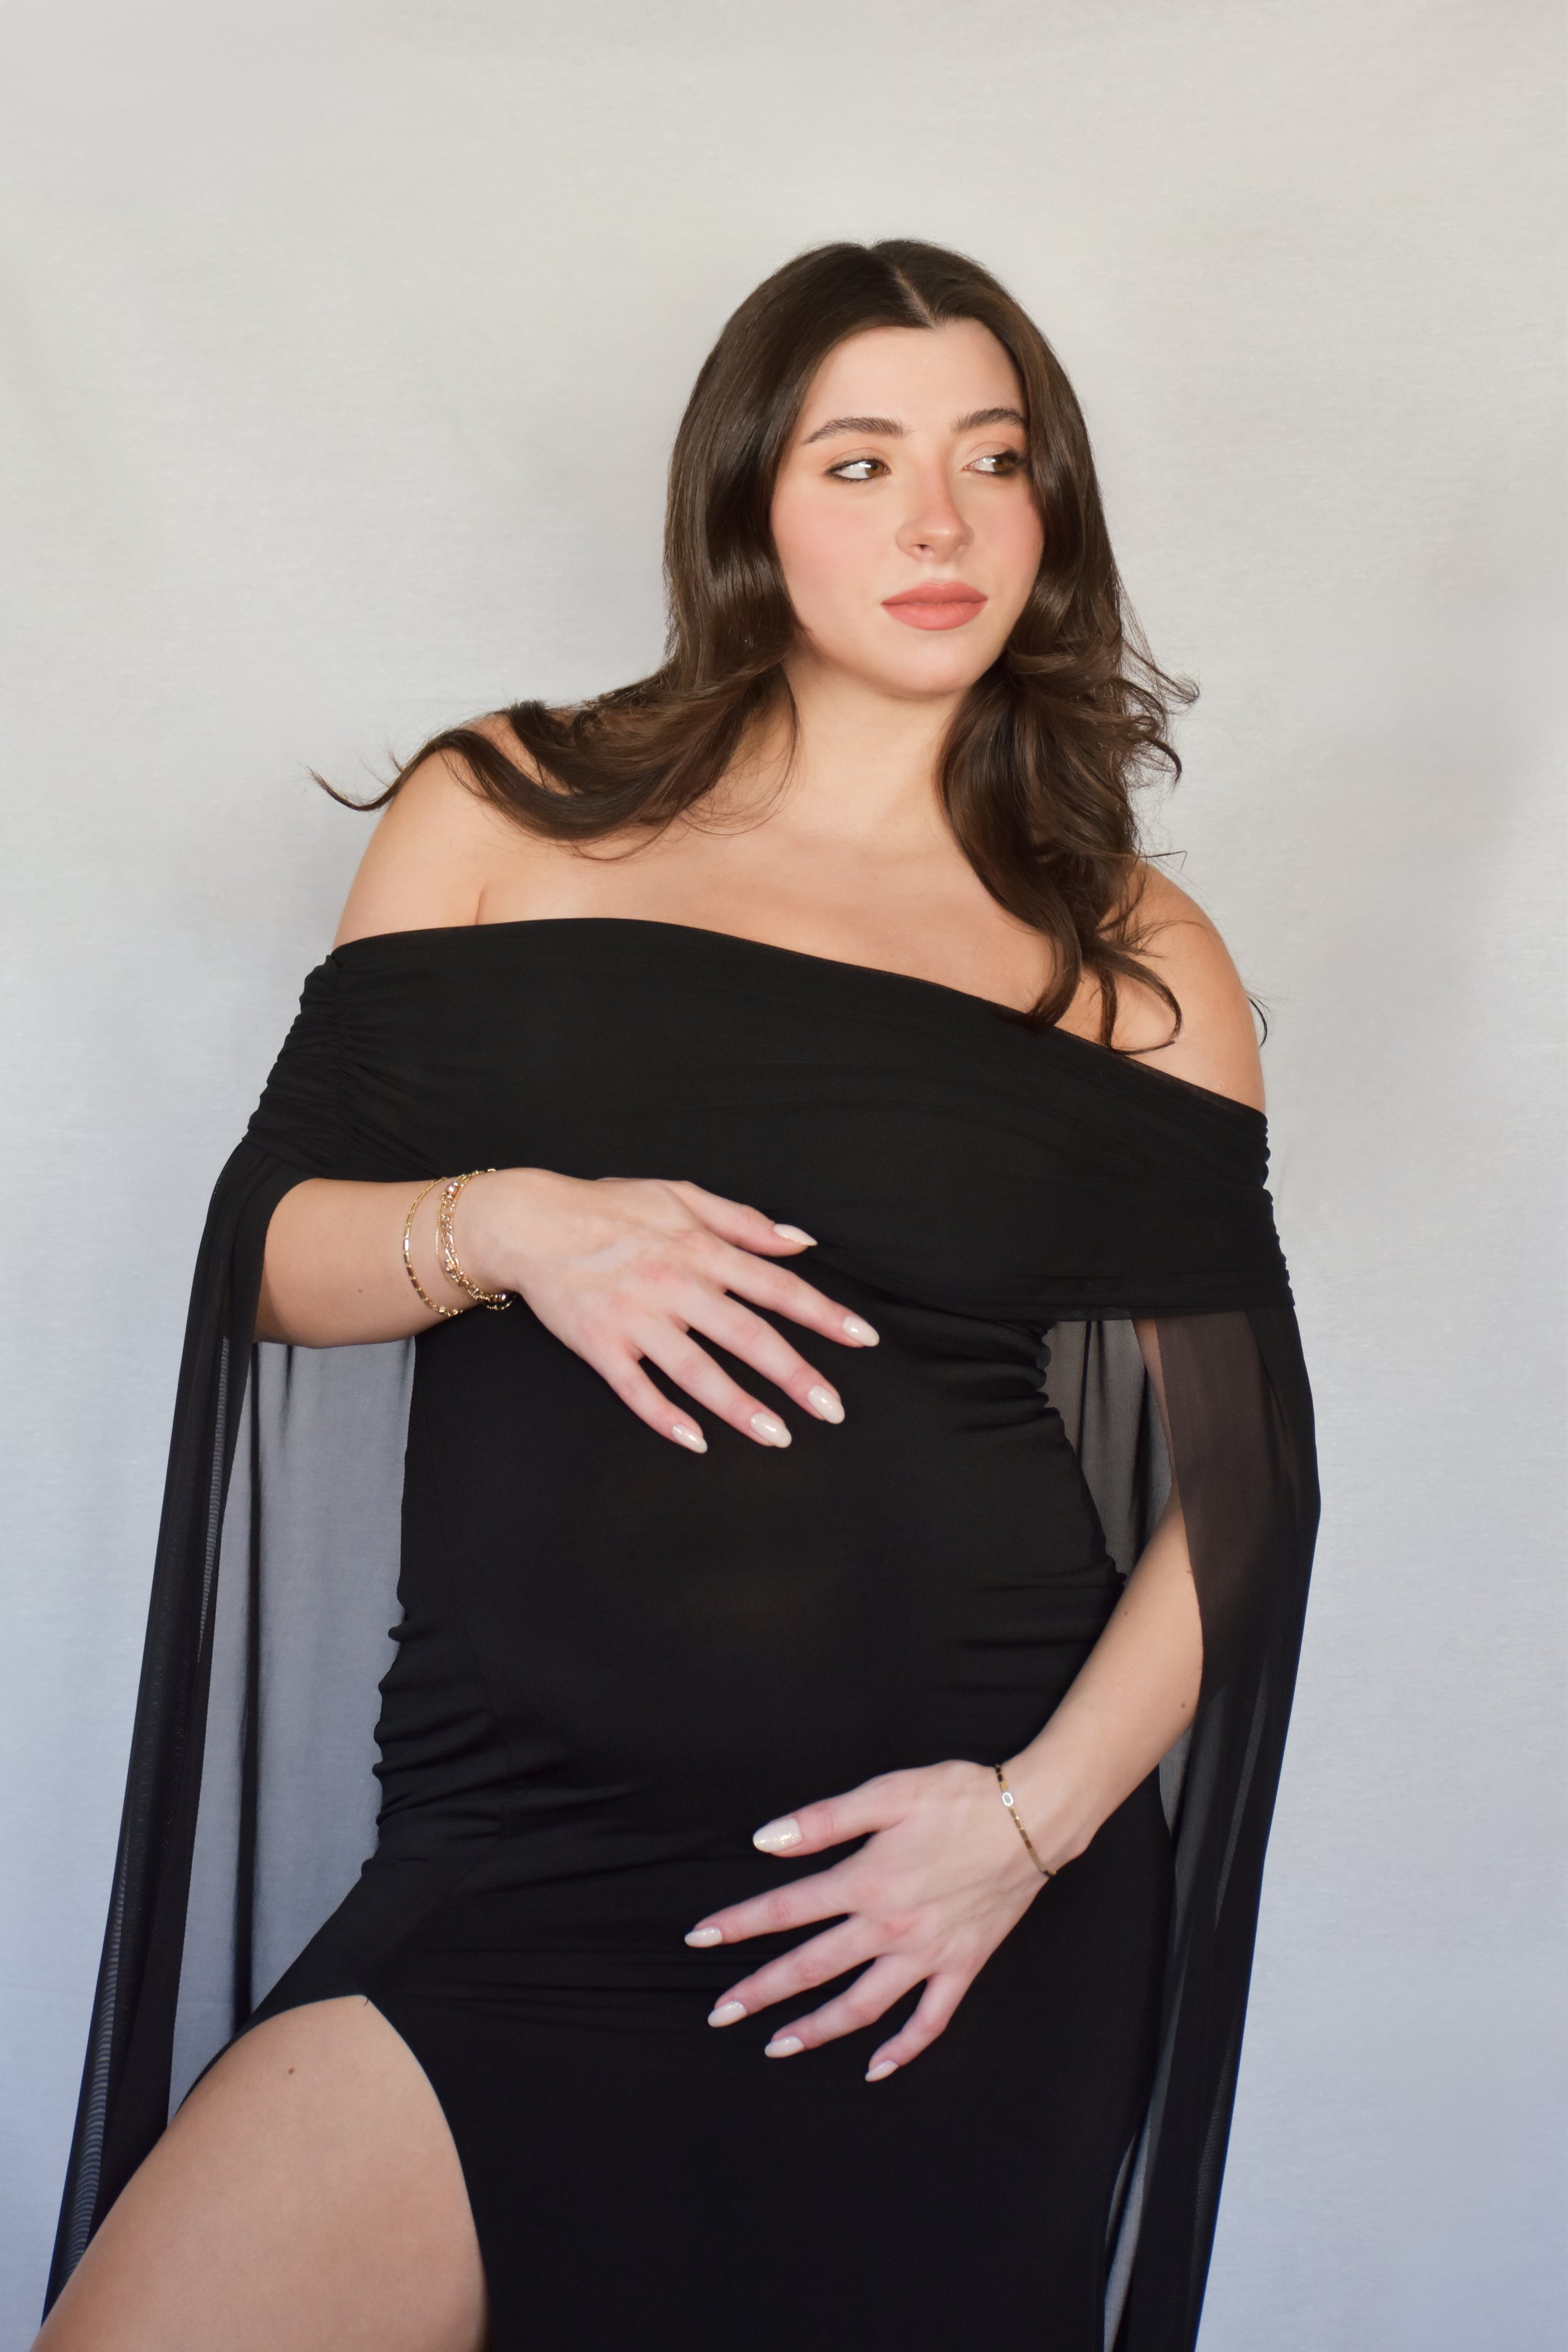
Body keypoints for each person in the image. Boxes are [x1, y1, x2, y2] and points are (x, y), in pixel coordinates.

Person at [40, 239, 1318, 2352]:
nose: (939, 523)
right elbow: (268, 1253)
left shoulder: (1124, 951)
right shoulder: (509, 810)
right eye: (861, 459)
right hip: (517, 1858)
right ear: (744, 503)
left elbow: (1247, 1487)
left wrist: (1019, 1832)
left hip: (919, 1923)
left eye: (995, 462)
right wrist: (509, 1224)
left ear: (1052, 513)